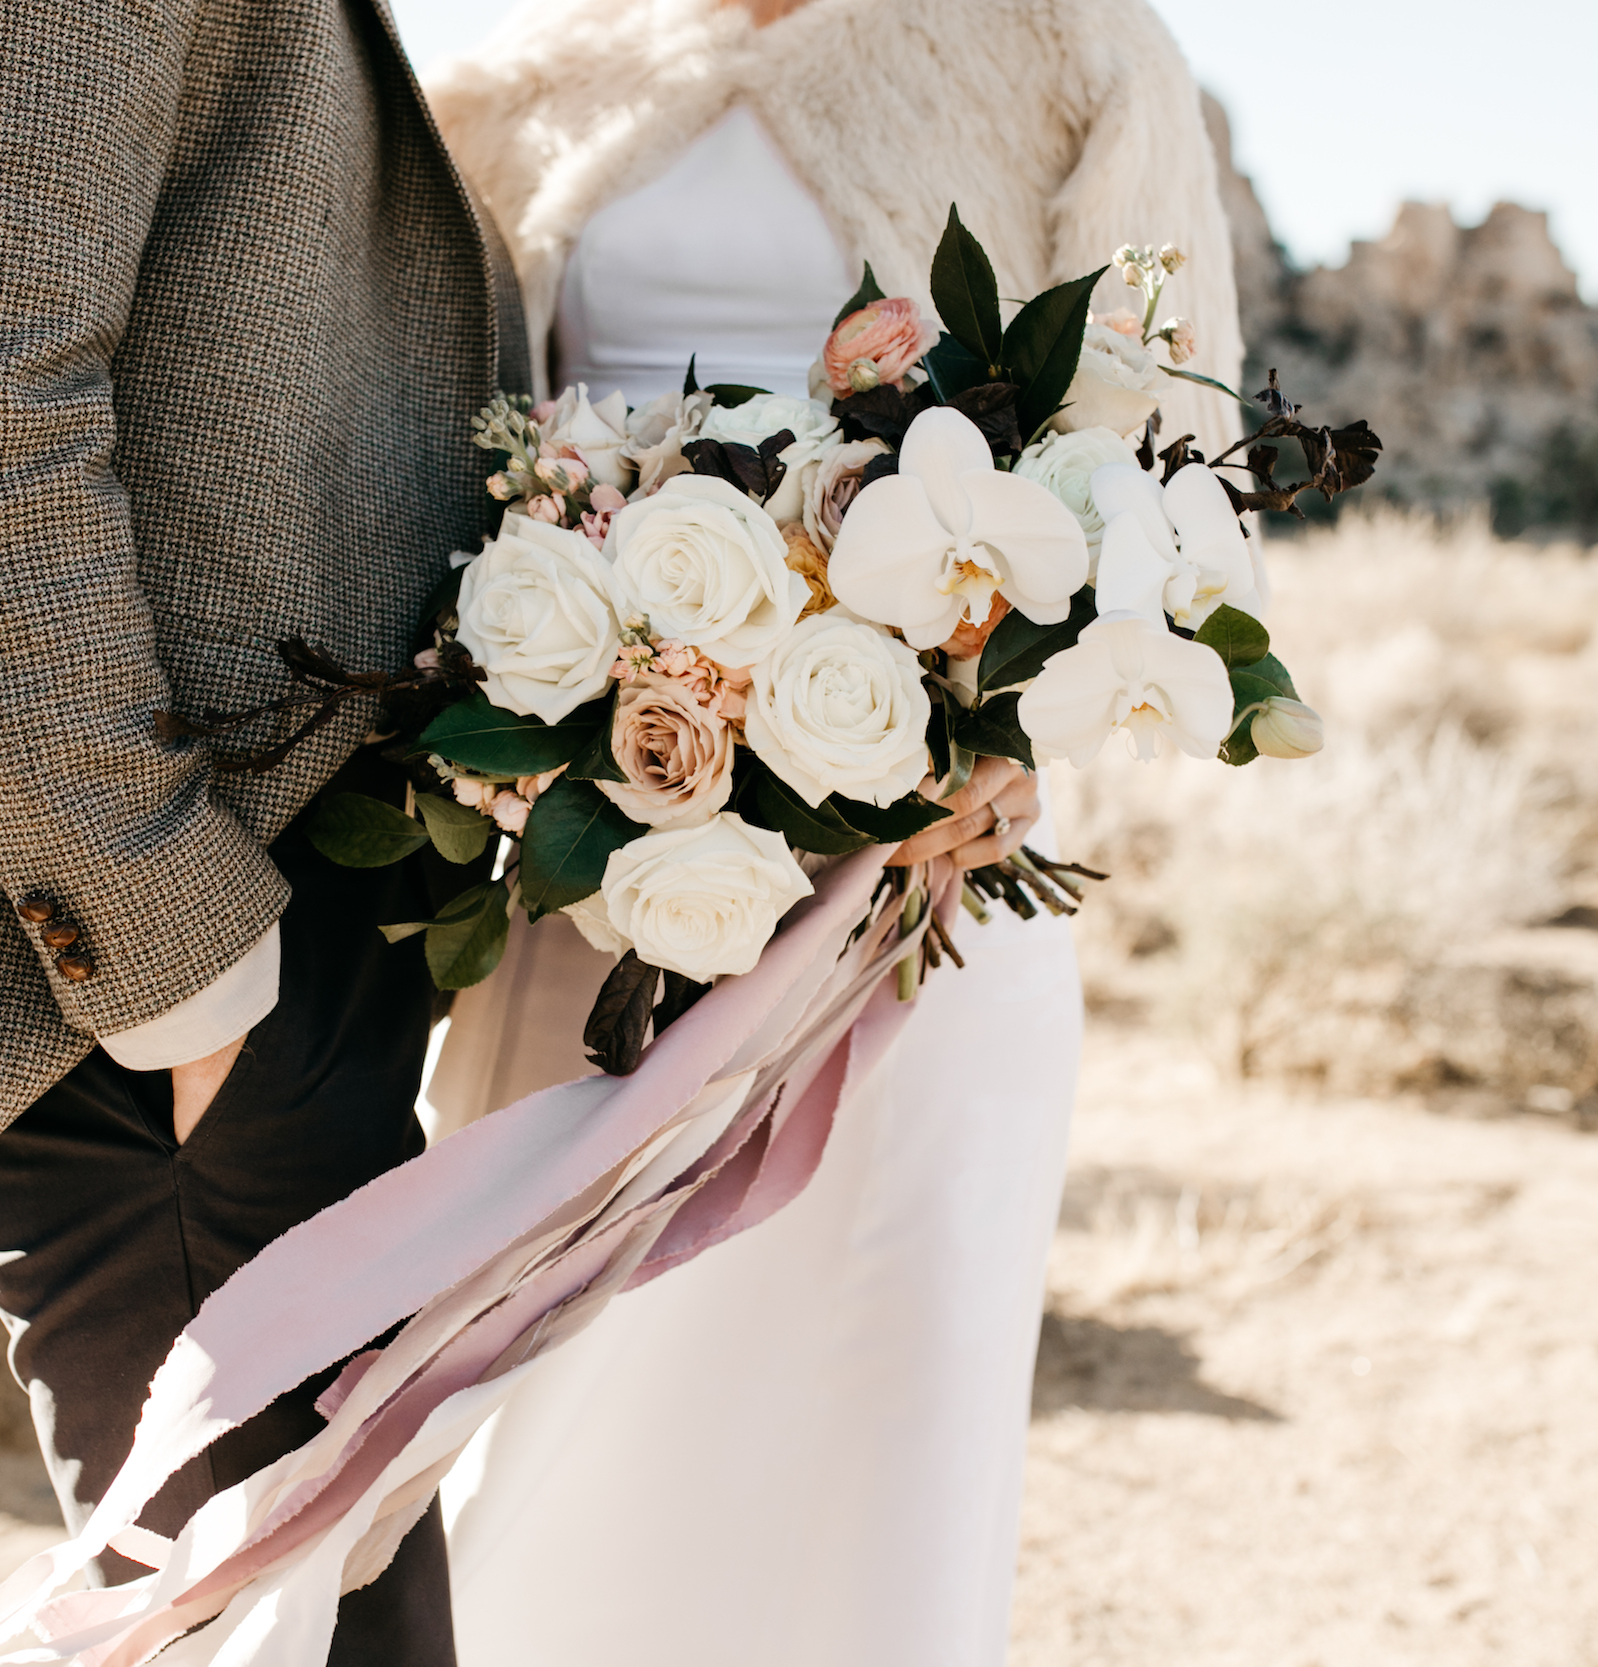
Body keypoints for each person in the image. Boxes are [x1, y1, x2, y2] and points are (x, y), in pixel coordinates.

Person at [421, 1, 1243, 1662]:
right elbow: (420, 455)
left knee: (871, 1420)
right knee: (553, 1408)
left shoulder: (1065, 48)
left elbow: (1164, 446)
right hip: (593, 861)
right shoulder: (520, 84)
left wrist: (1017, 719)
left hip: (930, 860)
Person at [0, 1, 524, 1658]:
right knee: (293, 1638)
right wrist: (173, 949)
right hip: (154, 959)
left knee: (327, 1615)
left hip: (255, 911)